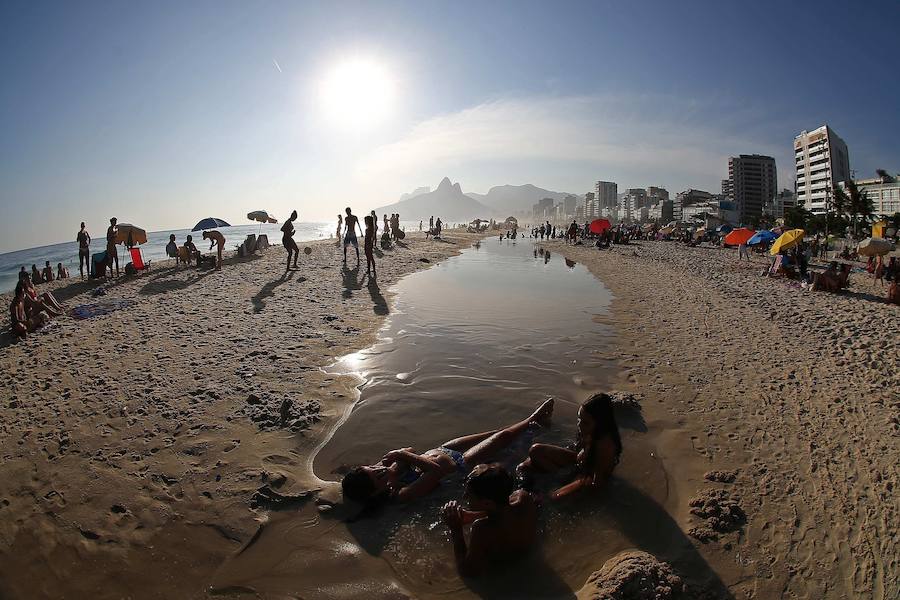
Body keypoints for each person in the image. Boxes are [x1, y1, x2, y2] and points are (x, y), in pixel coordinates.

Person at [342, 399, 553, 506]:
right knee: (502, 438)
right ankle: (533, 421)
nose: (379, 469)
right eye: (378, 477)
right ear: (377, 493)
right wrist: (401, 456)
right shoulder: (402, 493)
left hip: (445, 448)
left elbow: (411, 450)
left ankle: (530, 426)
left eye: (372, 468)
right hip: (461, 465)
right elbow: (437, 471)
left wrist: (399, 458)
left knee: (495, 433)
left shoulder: (390, 468)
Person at [440, 463, 537, 577]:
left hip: (504, 573)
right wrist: (473, 515)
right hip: (527, 557)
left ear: (487, 503)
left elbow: (468, 572)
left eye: (469, 494)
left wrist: (456, 529)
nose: (464, 497)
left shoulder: (482, 529)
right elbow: (502, 509)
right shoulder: (523, 498)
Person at [518, 393, 621, 500]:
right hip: (579, 462)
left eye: (585, 422)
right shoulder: (590, 431)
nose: (579, 425)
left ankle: (557, 482)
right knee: (535, 451)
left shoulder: (605, 446)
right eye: (579, 419)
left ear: (600, 423)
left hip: (588, 474)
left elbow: (597, 482)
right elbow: (576, 448)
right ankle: (559, 478)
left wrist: (575, 490)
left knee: (554, 497)